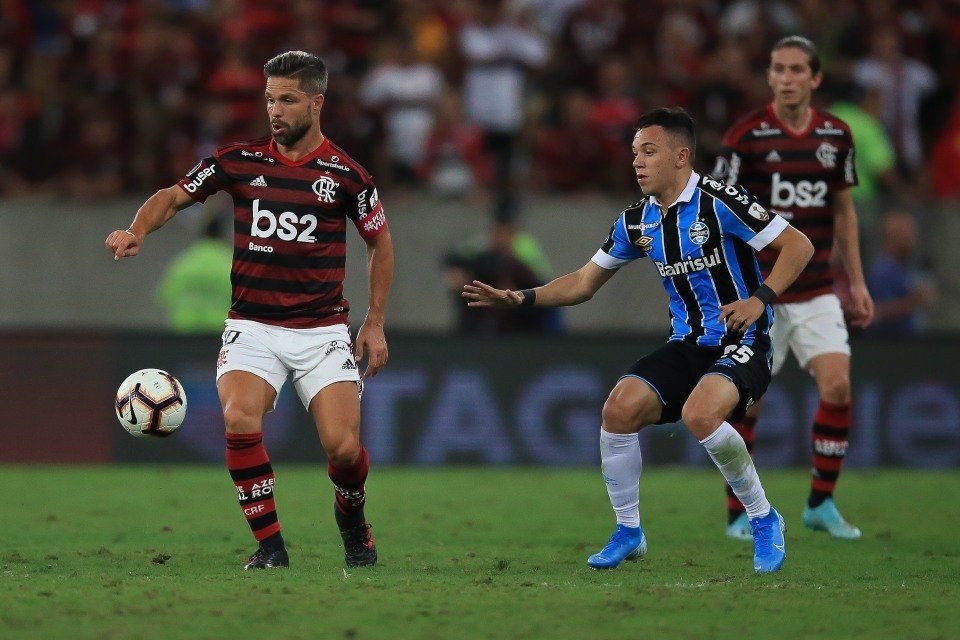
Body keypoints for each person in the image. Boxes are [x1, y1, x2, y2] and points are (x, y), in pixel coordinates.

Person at [464, 107, 814, 574]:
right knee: (618, 410)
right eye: (634, 153)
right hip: (687, 343)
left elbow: (798, 246)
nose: (638, 162)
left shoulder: (719, 202)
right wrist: (521, 297)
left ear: (681, 156)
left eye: (649, 151)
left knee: (701, 413)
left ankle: (765, 518)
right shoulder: (638, 221)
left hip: (742, 337)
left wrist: (759, 299)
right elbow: (582, 283)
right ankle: (629, 531)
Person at [105, 51, 395, 570]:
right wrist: (136, 230)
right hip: (252, 327)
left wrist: (373, 321)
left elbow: (380, 243)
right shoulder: (238, 161)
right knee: (239, 417)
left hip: (321, 330)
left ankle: (354, 524)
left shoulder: (347, 175)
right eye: (269, 100)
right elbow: (173, 197)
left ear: (317, 101)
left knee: (344, 449)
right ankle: (271, 548)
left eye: (287, 99)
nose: (275, 110)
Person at [712, 36, 874, 541]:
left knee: (838, 386)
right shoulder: (746, 135)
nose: (787, 78)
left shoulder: (837, 135)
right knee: (746, 404)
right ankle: (740, 512)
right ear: (769, 76)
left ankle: (820, 505)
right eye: (778, 69)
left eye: (797, 70)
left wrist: (859, 282)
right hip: (759, 291)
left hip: (820, 288)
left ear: (815, 78)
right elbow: (720, 212)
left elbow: (843, 211)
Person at [156, 215, 234, 334]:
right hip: (219, 333)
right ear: (223, 235)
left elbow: (166, 296)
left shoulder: (184, 262)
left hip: (185, 332)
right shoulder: (229, 263)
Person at [866, 210, 935, 336]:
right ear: (893, 236)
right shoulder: (883, 271)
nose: (912, 239)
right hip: (889, 343)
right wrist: (916, 300)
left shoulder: (906, 267)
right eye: (907, 233)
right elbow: (878, 311)